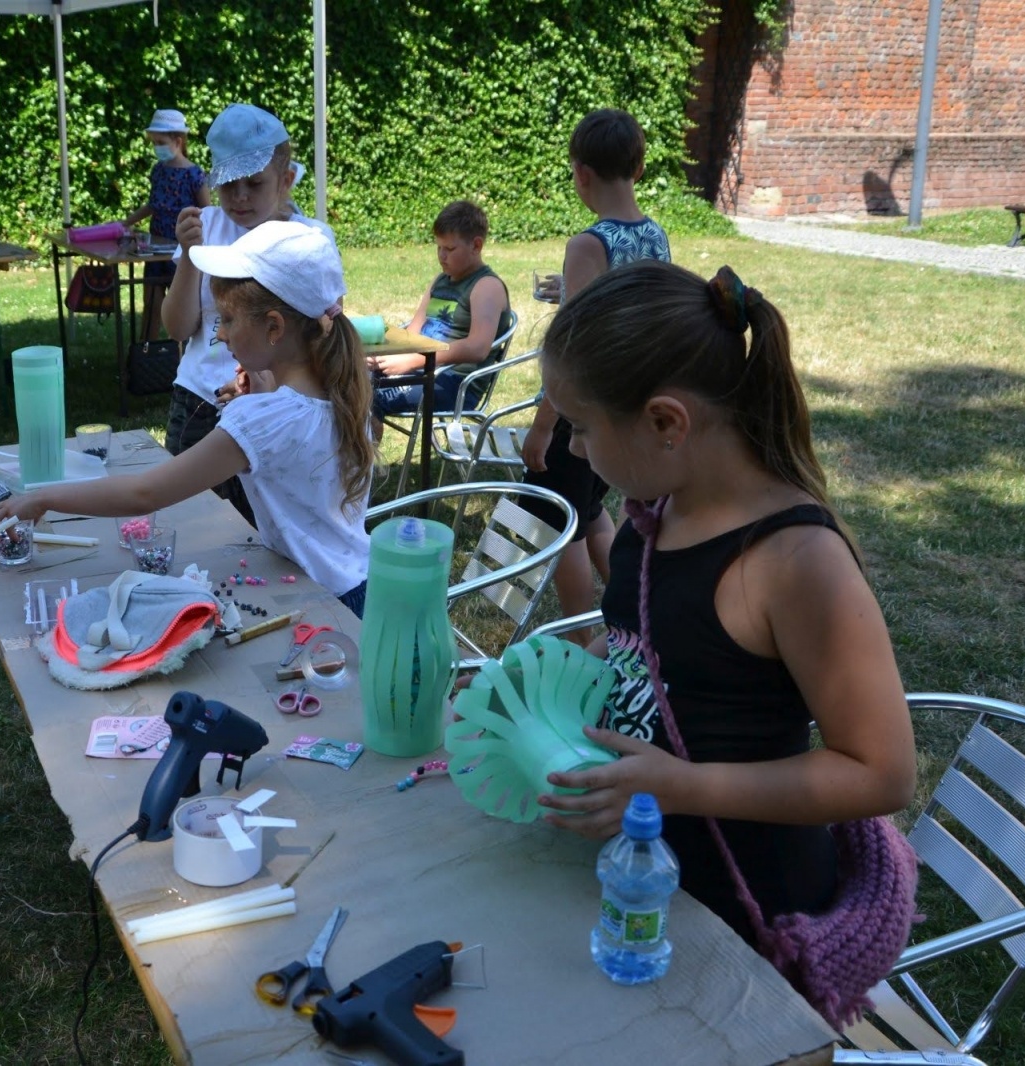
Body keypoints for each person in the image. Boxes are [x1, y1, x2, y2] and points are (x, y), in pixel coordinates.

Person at [535, 259, 917, 947]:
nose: (571, 446)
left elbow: (882, 773)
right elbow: (638, 640)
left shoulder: (796, 563)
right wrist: (553, 678)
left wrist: (682, 787)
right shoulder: (656, 510)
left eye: (580, 427)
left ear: (665, 422)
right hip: (639, 882)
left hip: (747, 920)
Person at [0, 220, 375, 616]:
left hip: (324, 603)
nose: (220, 334)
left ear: (274, 326)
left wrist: (43, 497)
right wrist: (264, 390)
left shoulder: (262, 417)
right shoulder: (340, 388)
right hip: (360, 585)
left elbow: (145, 494)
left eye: (227, 319)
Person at [521, 109, 673, 628]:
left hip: (585, 412)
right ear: (641, 167)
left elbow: (573, 350)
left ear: (580, 173)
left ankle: (580, 632)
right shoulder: (656, 235)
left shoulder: (588, 245)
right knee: (586, 508)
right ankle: (635, 607)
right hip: (631, 403)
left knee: (557, 517)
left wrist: (544, 425)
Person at [162, 103, 336, 526]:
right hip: (200, 402)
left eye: (254, 184)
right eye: (228, 184)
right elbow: (178, 327)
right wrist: (189, 255)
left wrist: (261, 383)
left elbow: (325, 332)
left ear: (286, 178)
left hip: (274, 408)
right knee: (186, 525)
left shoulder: (309, 239)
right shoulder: (205, 226)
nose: (239, 197)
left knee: (257, 532)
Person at [371, 199, 511, 417]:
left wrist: (413, 361)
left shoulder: (486, 286)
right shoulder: (441, 281)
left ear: (476, 245)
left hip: (455, 383)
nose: (441, 256)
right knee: (350, 382)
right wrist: (381, 355)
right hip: (423, 369)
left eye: (449, 248)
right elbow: (412, 333)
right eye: (438, 247)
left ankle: (364, 450)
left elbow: (477, 348)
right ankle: (360, 449)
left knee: (369, 399)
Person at [120, 109, 210, 341]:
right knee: (151, 306)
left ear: (177, 141)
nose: (156, 148)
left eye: (161, 143)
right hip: (155, 251)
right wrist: (126, 223)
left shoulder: (194, 174)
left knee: (186, 308)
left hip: (183, 254)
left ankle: (179, 356)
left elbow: (207, 212)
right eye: (154, 143)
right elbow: (154, 204)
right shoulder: (158, 171)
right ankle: (146, 356)